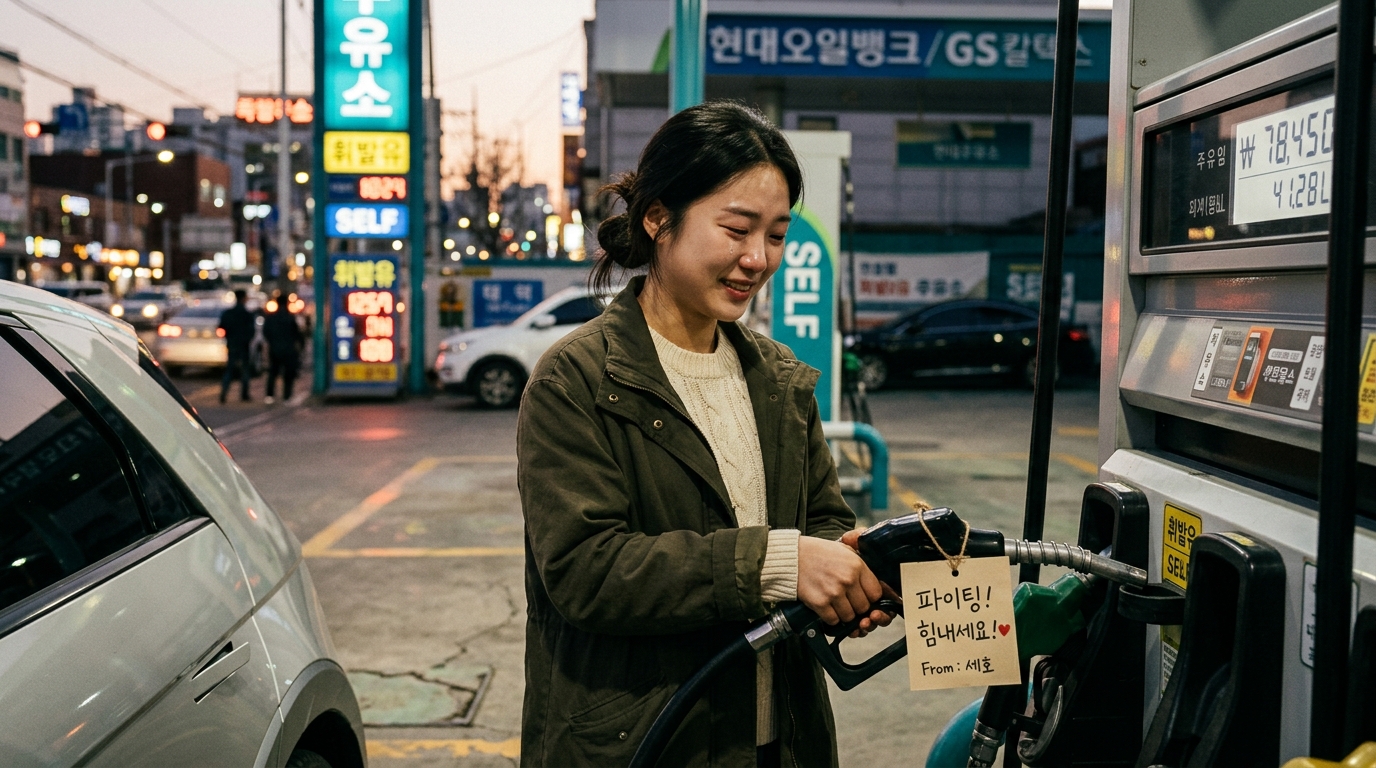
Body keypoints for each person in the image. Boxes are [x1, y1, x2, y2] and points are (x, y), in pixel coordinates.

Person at [517, 101, 893, 768]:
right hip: (647, 744)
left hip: (780, 739)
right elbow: (587, 571)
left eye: (776, 235)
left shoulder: (777, 381)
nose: (758, 259)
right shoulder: (574, 380)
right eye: (736, 229)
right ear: (659, 218)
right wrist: (783, 564)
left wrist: (852, 572)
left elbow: (823, 523)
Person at [262, 295, 302, 404]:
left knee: (273, 372)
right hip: (289, 349)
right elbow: (297, 334)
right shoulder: (290, 317)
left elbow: (266, 332)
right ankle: (287, 396)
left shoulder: (271, 318)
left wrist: (272, 342)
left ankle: (269, 395)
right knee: (288, 374)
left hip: (274, 348)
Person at [218, 289, 255, 404]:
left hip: (232, 343)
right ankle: (244, 394)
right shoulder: (247, 314)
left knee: (230, 369)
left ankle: (224, 393)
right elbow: (251, 331)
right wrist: (247, 339)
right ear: (244, 298)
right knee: (244, 370)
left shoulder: (228, 313)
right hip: (244, 345)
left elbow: (221, 327)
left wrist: (229, 337)